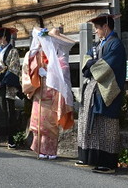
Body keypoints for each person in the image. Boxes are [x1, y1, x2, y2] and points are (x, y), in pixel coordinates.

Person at [76, 13, 126, 173]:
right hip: (94, 90)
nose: (96, 31)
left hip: (108, 91)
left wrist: (93, 65)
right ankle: (91, 157)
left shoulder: (116, 45)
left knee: (107, 124)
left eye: (97, 28)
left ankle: (108, 162)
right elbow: (86, 60)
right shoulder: (99, 45)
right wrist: (92, 64)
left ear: (105, 26)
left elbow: (107, 66)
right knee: (93, 123)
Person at [22, 27, 75, 159]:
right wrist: (33, 52)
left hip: (53, 95)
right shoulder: (39, 55)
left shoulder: (59, 55)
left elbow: (64, 73)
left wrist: (49, 73)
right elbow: (29, 66)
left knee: (50, 125)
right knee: (38, 122)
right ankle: (40, 149)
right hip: (40, 93)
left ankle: (50, 151)